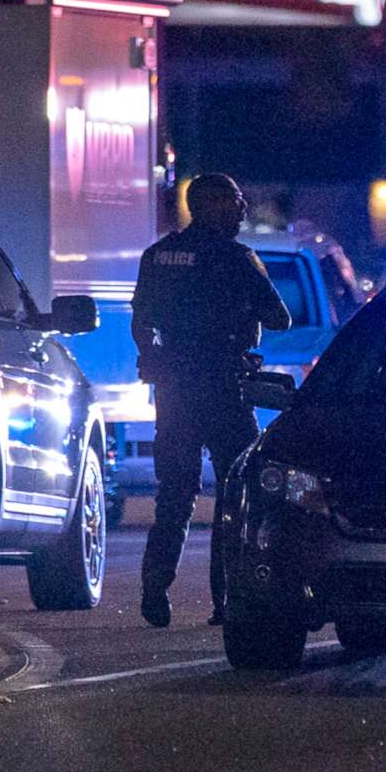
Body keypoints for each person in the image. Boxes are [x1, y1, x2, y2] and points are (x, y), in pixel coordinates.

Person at [132, 173, 292, 627]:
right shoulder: (238, 258)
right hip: (225, 391)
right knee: (236, 498)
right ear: (213, 205)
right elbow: (279, 317)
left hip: (175, 393)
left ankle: (154, 588)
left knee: (174, 497)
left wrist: (156, 357)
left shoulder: (158, 256)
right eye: (237, 202)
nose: (242, 210)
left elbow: (142, 322)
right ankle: (226, 601)